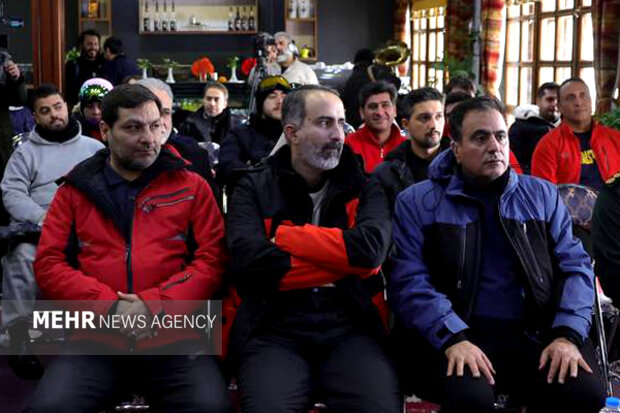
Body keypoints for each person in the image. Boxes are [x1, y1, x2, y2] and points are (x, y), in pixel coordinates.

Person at [389, 96, 605, 412]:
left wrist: (567, 334)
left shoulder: (541, 195)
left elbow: (576, 268)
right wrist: (453, 338)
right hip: (457, 333)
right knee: (471, 398)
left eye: (500, 136)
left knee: (585, 392)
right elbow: (409, 281)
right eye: (480, 138)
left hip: (537, 333)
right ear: (456, 148)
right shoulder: (418, 202)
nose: (494, 146)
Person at [29, 84, 231, 412]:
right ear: (105, 131)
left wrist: (153, 305)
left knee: (211, 407)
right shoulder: (74, 191)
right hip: (95, 336)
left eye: (155, 126)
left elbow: (212, 260)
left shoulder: (191, 187)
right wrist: (110, 307)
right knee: (48, 408)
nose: (149, 138)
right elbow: (49, 264)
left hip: (176, 334)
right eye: (134, 128)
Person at [225, 85, 401, 413]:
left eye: (341, 124)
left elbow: (369, 253)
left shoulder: (366, 185)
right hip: (273, 326)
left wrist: (290, 238)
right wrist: (344, 265)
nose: (338, 135)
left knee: (380, 406)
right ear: (292, 133)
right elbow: (248, 263)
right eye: (324, 123)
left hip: (351, 324)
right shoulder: (253, 185)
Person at [1, 84, 104, 380]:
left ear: (67, 106)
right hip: (40, 229)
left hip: (89, 230)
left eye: (57, 107)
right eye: (45, 111)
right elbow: (12, 193)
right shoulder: (24, 154)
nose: (54, 115)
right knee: (20, 257)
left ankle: (104, 338)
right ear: (35, 116)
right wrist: (43, 218)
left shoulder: (95, 149)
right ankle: (19, 337)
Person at [135, 77, 219, 198]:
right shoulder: (115, 159)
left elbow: (210, 206)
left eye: (165, 113)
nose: (160, 121)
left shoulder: (193, 155)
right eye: (150, 112)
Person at [532, 77, 620, 190]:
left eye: (583, 96)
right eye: (571, 98)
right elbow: (544, 193)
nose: (578, 102)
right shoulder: (548, 145)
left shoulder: (615, 138)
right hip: (567, 201)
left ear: (591, 101)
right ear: (559, 107)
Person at [373, 87, 448, 211]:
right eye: (425, 118)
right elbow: (377, 217)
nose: (434, 125)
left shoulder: (461, 165)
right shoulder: (387, 173)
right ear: (406, 124)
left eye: (439, 116)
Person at [218, 75, 291, 188]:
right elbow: (228, 167)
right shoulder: (239, 135)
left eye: (284, 97)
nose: (280, 101)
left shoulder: (295, 135)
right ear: (261, 103)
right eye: (272, 97)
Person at [345, 81, 406, 173]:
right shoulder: (349, 145)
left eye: (385, 105)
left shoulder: (407, 147)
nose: (379, 112)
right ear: (362, 112)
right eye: (373, 107)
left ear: (395, 110)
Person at [342, 48, 401, 129]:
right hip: (372, 122)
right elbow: (395, 84)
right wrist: (389, 69)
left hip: (353, 121)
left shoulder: (352, 77)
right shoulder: (373, 71)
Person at [509, 82, 560, 174]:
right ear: (538, 101)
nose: (554, 104)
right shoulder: (520, 128)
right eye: (549, 99)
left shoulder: (569, 127)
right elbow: (514, 163)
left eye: (558, 100)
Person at [179, 81, 243, 146]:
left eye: (216, 99)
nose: (212, 103)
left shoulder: (237, 125)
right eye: (208, 99)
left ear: (225, 103)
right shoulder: (189, 123)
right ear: (203, 100)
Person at [65, 29, 106, 107]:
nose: (93, 47)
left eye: (96, 44)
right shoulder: (73, 65)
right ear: (81, 45)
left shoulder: (106, 65)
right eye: (89, 44)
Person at [75, 77, 114, 142]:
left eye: (101, 106)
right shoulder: (72, 133)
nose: (96, 112)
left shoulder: (120, 132)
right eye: (89, 106)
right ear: (81, 108)